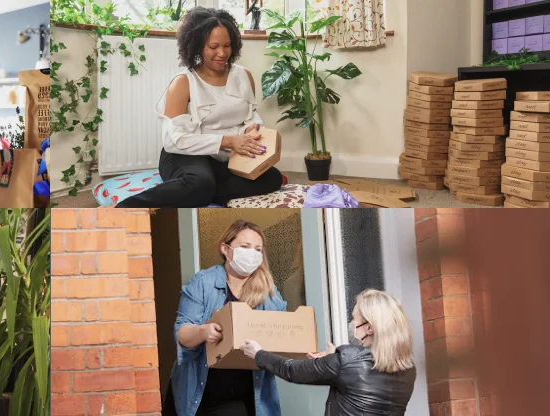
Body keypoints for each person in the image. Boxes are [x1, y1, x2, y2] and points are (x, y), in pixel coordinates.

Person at [117, 8, 282, 208]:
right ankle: (124, 207)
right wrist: (229, 141)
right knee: (200, 182)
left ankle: (203, 193)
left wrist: (252, 129)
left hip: (224, 158)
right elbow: (175, 141)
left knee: (272, 178)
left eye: (227, 45)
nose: (222, 53)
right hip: (183, 154)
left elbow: (250, 116)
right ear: (197, 46)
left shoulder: (243, 76)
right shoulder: (183, 83)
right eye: (213, 47)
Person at [164, 220, 286, 416]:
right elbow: (182, 333)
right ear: (225, 248)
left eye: (257, 250)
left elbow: (281, 335)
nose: (252, 254)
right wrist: (203, 331)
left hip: (243, 393)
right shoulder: (203, 283)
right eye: (245, 247)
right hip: (201, 390)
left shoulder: (269, 292)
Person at [243, 289, 417, 415]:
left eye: (353, 319)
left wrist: (259, 354)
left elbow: (292, 370)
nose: (351, 324)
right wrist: (335, 359)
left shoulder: (347, 361)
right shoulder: (408, 368)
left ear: (369, 328)